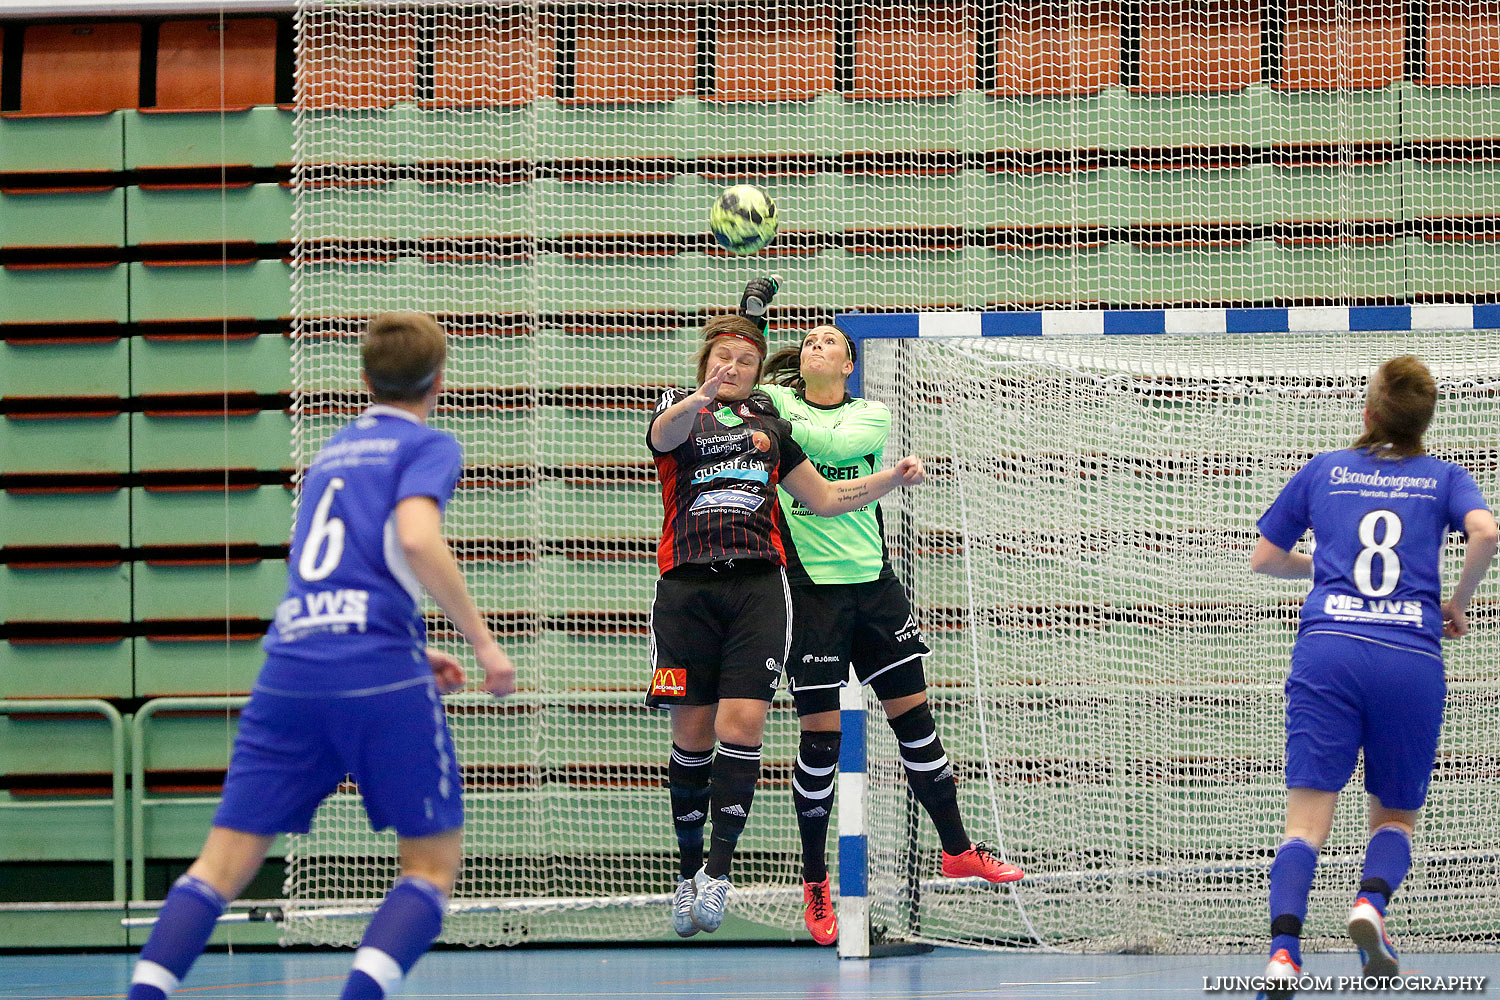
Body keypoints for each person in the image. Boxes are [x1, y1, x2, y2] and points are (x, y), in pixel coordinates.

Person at [126, 312, 516, 1000]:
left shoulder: (330, 453)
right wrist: (481, 642)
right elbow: (416, 538)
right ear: (440, 380)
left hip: (291, 670)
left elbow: (336, 572)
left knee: (218, 868)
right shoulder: (427, 444)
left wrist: (408, 648)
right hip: (373, 675)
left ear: (364, 379)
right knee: (428, 869)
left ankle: (143, 993)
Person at [742, 282, 1023, 946]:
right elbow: (742, 388)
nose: (816, 343)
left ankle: (956, 847)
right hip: (809, 590)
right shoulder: (774, 403)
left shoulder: (871, 415)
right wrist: (751, 318)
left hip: (873, 586)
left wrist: (773, 420)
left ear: (848, 365)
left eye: (830, 341)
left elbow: (828, 461)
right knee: (820, 744)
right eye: (808, 338)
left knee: (916, 724)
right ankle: (816, 883)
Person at [647, 312, 928, 939]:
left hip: (756, 588)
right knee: (691, 739)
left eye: (746, 362)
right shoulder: (679, 413)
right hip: (686, 592)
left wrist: (891, 477)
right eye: (723, 359)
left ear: (758, 376)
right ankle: (688, 869)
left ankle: (719, 872)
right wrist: (702, 393)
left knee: (740, 724)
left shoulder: (774, 430)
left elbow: (825, 500)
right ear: (703, 367)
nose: (734, 369)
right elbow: (663, 438)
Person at [1249, 355, 1496, 999]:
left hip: (1328, 651)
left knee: (1304, 825)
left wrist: (1324, 567)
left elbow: (1266, 557)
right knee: (1394, 819)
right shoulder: (1444, 478)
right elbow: (1486, 532)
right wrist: (1459, 602)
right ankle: (1371, 906)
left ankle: (1283, 955)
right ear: (1424, 421)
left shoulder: (1326, 468)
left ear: (1369, 412)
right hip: (1409, 658)